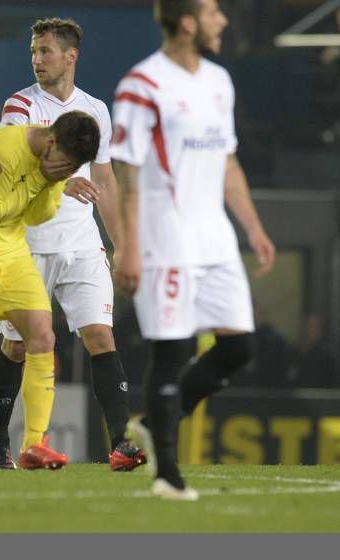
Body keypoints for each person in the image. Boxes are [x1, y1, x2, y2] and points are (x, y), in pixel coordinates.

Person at [111, 0, 276, 500]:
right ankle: (167, 475)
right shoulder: (142, 85)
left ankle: (156, 420)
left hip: (216, 237)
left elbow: (228, 165)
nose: (222, 20)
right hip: (168, 236)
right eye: (213, 12)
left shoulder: (219, 82)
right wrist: (130, 247)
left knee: (239, 345)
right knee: (174, 350)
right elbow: (128, 175)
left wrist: (253, 228)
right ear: (188, 23)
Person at [0, 17, 146, 472]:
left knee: (101, 336)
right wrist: (61, 183)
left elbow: (105, 180)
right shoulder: (19, 106)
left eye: (46, 51)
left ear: (70, 56)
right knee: (18, 347)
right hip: (29, 242)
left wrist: (119, 246)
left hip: (81, 242)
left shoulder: (95, 108)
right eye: (34, 52)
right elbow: (16, 163)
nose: (37, 60)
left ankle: (121, 444)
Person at [0, 111, 100, 471]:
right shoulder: (3, 149)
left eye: (73, 168)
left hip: (11, 254)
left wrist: (50, 183)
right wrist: (41, 179)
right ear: (52, 140)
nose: (66, 170)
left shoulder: (55, 166)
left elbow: (37, 215)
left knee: (43, 337)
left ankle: (33, 445)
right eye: (66, 164)